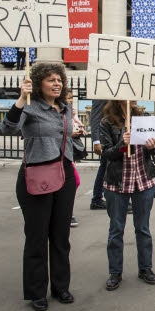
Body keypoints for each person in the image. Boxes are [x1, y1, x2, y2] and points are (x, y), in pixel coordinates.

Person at [1, 63, 76, 311]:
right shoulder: (30, 107)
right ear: (38, 82)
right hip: (37, 176)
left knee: (60, 236)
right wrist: (22, 98)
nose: (56, 83)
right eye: (50, 80)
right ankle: (36, 292)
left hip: (63, 175)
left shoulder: (65, 109)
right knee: (36, 237)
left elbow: (63, 138)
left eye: (59, 80)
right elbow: (8, 128)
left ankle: (60, 286)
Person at [100, 100, 155, 291]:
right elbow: (106, 154)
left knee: (143, 228)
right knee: (116, 229)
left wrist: (152, 146)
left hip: (143, 181)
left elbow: (154, 151)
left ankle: (145, 268)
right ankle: (115, 272)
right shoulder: (107, 122)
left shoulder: (144, 118)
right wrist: (121, 144)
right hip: (117, 183)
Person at [65, 90, 87, 228]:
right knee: (73, 182)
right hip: (58, 154)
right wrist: (69, 134)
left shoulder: (69, 110)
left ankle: (67, 212)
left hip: (67, 153)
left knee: (73, 182)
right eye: (68, 98)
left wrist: (79, 128)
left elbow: (75, 120)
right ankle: (66, 213)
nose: (71, 100)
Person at [89, 99, 107, 210]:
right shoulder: (102, 95)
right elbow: (95, 118)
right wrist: (96, 141)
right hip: (107, 139)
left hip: (119, 137)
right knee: (105, 168)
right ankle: (97, 198)